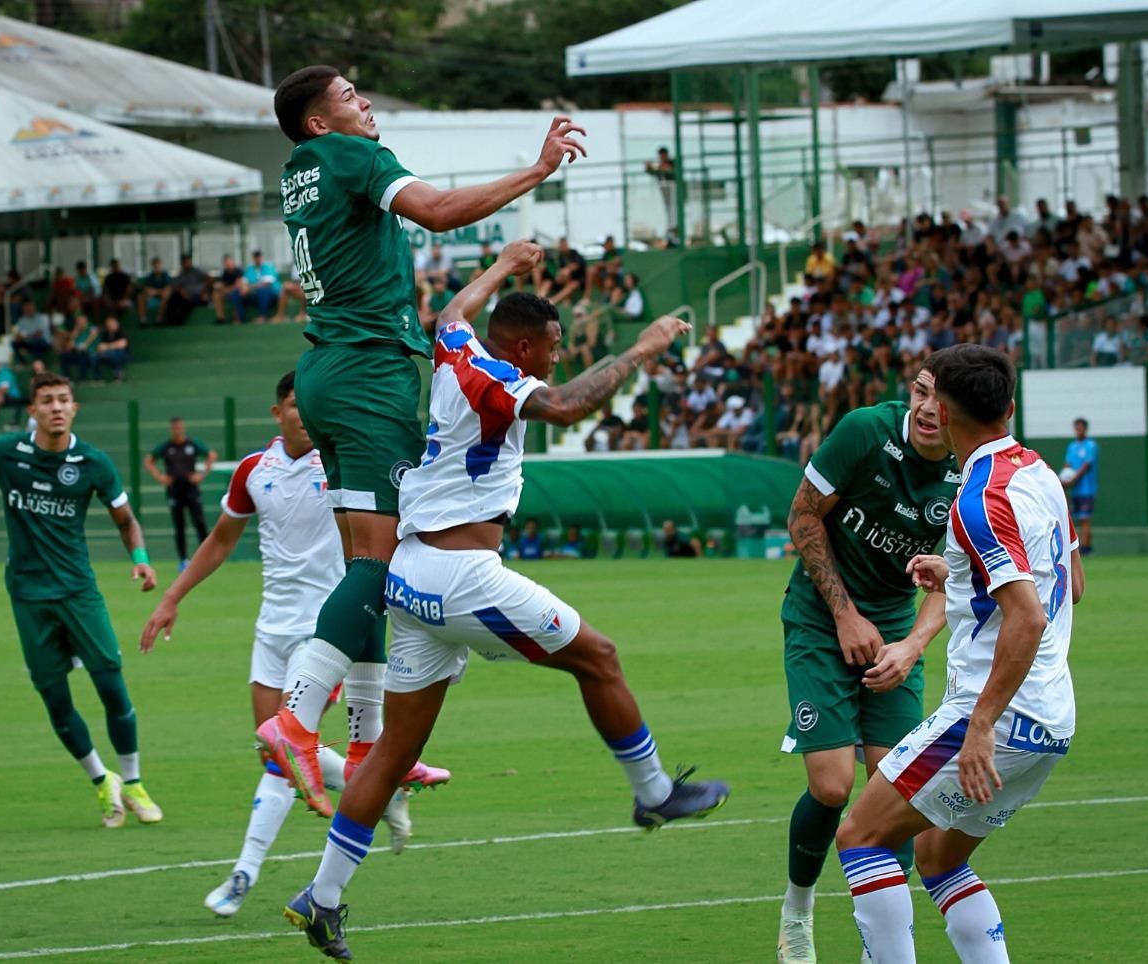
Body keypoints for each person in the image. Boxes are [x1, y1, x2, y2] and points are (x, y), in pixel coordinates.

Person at [281, 243, 728, 960]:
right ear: (521, 346)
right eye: (552, 346)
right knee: (601, 659)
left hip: (414, 571)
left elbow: (452, 310)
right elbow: (567, 403)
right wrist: (642, 349)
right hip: (461, 576)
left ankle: (322, 899)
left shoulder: (459, 344)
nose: (557, 355)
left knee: (395, 751)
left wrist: (503, 267)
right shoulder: (499, 376)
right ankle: (652, 791)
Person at [256, 65, 585, 817]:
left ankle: (370, 742)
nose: (364, 104)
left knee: (363, 570)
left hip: (327, 370)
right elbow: (435, 211)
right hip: (370, 375)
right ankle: (297, 721)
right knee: (378, 568)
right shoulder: (352, 156)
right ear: (318, 121)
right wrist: (536, 170)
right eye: (348, 97)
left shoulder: (300, 171)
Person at [139, 372, 434, 917]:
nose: (303, 414)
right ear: (278, 413)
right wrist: (171, 598)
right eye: (293, 406)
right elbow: (220, 540)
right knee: (271, 748)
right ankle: (384, 781)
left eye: (309, 405)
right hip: (270, 630)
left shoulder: (342, 462)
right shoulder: (255, 470)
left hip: (326, 631)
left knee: (281, 756)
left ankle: (241, 876)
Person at [833, 343, 1084, 964]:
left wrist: (980, 726)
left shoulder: (975, 500)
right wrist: (960, 576)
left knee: (861, 836)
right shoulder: (1039, 473)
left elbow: (1025, 614)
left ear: (941, 413)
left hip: (996, 717)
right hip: (1052, 719)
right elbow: (1068, 583)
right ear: (1010, 407)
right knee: (937, 857)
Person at [773, 363, 958, 964]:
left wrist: (911, 646)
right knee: (832, 787)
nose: (928, 408)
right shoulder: (862, 431)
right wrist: (847, 615)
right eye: (921, 392)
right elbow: (802, 516)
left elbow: (952, 578)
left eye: (942, 398)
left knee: (895, 788)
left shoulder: (970, 471)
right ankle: (796, 913)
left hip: (896, 630)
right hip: (819, 616)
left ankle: (883, 943)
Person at [0, 371, 163, 829]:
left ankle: (134, 782)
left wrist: (139, 557)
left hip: (78, 591)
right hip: (28, 595)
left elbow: (126, 519)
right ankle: (102, 781)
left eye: (63, 399)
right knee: (55, 700)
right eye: (47, 401)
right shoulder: (5, 452)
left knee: (112, 684)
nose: (56, 407)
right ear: (32, 410)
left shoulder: (93, 462)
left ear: (74, 408)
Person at [145, 417, 216, 570]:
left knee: (199, 522)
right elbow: (149, 460)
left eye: (179, 427)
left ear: (183, 427)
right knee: (179, 526)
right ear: (171, 428)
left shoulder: (192, 444)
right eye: (174, 427)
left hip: (191, 488)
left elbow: (211, 455)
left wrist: (201, 474)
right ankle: (183, 560)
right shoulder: (166, 447)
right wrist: (160, 477)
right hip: (174, 490)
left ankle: (207, 557)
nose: (177, 430)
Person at [1061, 417, 1099, 556]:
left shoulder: (1091, 445)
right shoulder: (1072, 446)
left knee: (1085, 518)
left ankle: (1087, 547)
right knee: (1073, 518)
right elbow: (1068, 464)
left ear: (1085, 428)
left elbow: (1086, 465)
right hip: (1075, 490)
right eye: (1076, 428)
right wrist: (1062, 479)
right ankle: (1077, 546)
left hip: (1086, 489)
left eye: (1080, 427)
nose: (1078, 430)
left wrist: (1073, 479)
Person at [228, 250, 280, 323]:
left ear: (261, 257)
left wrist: (249, 287)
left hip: (271, 296)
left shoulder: (268, 266)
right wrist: (243, 288)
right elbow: (244, 282)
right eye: (255, 257)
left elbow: (266, 283)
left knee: (263, 290)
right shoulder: (250, 269)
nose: (257, 259)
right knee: (236, 293)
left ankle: (263, 316)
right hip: (255, 295)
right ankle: (240, 318)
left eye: (258, 257)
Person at [163, 254, 209, 327]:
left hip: (198, 296)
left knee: (185, 303)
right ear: (182, 264)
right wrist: (181, 290)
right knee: (173, 298)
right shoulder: (182, 274)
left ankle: (178, 322)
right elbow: (175, 285)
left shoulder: (197, 272)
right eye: (184, 262)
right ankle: (168, 320)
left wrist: (204, 292)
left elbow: (208, 279)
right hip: (185, 296)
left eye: (187, 261)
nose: (186, 264)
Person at [59, 313, 99, 382]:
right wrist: (74, 333)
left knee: (82, 355)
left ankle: (83, 378)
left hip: (90, 353)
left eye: (81, 321)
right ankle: (67, 378)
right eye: (78, 321)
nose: (79, 323)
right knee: (63, 356)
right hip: (77, 352)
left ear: (86, 321)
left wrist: (84, 345)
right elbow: (68, 346)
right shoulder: (77, 331)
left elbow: (92, 337)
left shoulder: (92, 328)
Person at [137, 257, 172, 328]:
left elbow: (167, 289)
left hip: (163, 298)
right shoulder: (151, 276)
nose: (157, 268)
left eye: (158, 266)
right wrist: (149, 291)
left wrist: (156, 292)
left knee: (166, 295)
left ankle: (159, 319)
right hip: (152, 299)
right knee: (140, 296)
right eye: (155, 266)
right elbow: (146, 288)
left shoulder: (165, 275)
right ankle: (143, 320)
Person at [93, 316, 131, 382]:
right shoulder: (106, 334)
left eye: (111, 323)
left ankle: (118, 375)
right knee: (95, 356)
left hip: (123, 354)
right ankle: (98, 378)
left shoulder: (121, 331)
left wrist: (107, 346)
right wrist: (109, 346)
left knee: (113, 353)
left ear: (117, 323)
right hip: (108, 354)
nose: (110, 325)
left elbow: (122, 344)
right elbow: (100, 346)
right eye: (108, 324)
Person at [213, 255, 243, 323]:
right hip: (227, 292)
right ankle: (221, 317)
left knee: (235, 293)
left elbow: (238, 286)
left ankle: (236, 317)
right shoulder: (225, 272)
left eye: (230, 262)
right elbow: (223, 284)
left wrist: (226, 289)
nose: (229, 265)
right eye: (227, 263)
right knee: (216, 293)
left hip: (237, 292)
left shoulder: (238, 271)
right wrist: (219, 286)